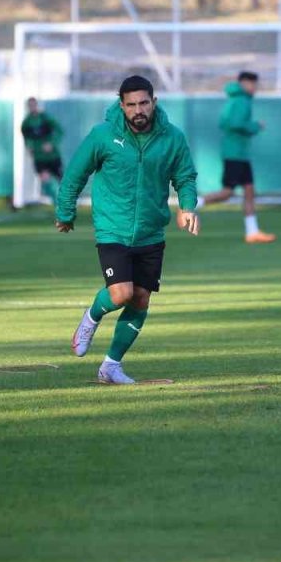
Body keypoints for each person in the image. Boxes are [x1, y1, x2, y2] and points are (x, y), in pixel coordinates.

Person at [56, 75, 200, 385]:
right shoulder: (102, 136)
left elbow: (185, 176)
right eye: (131, 104)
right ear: (121, 106)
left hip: (151, 231)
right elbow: (75, 174)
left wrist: (187, 207)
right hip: (113, 228)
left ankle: (110, 367)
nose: (138, 110)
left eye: (144, 103)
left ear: (154, 102)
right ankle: (92, 316)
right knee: (121, 294)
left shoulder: (172, 138)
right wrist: (65, 212)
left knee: (141, 299)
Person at [194, 71, 275, 243]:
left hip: (240, 153)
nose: (255, 88)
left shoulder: (235, 99)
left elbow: (224, 122)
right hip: (235, 153)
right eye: (252, 84)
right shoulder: (241, 101)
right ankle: (191, 205)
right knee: (227, 193)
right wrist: (255, 126)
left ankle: (252, 232)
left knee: (249, 191)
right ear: (244, 83)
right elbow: (233, 123)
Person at [20, 97, 64, 201]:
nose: (32, 107)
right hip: (39, 157)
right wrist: (29, 147)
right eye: (30, 105)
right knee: (45, 179)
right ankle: (57, 203)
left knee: (60, 180)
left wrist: (51, 144)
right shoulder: (26, 123)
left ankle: (66, 200)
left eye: (34, 105)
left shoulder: (46, 118)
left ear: (37, 105)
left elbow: (59, 131)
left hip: (52, 156)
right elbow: (26, 137)